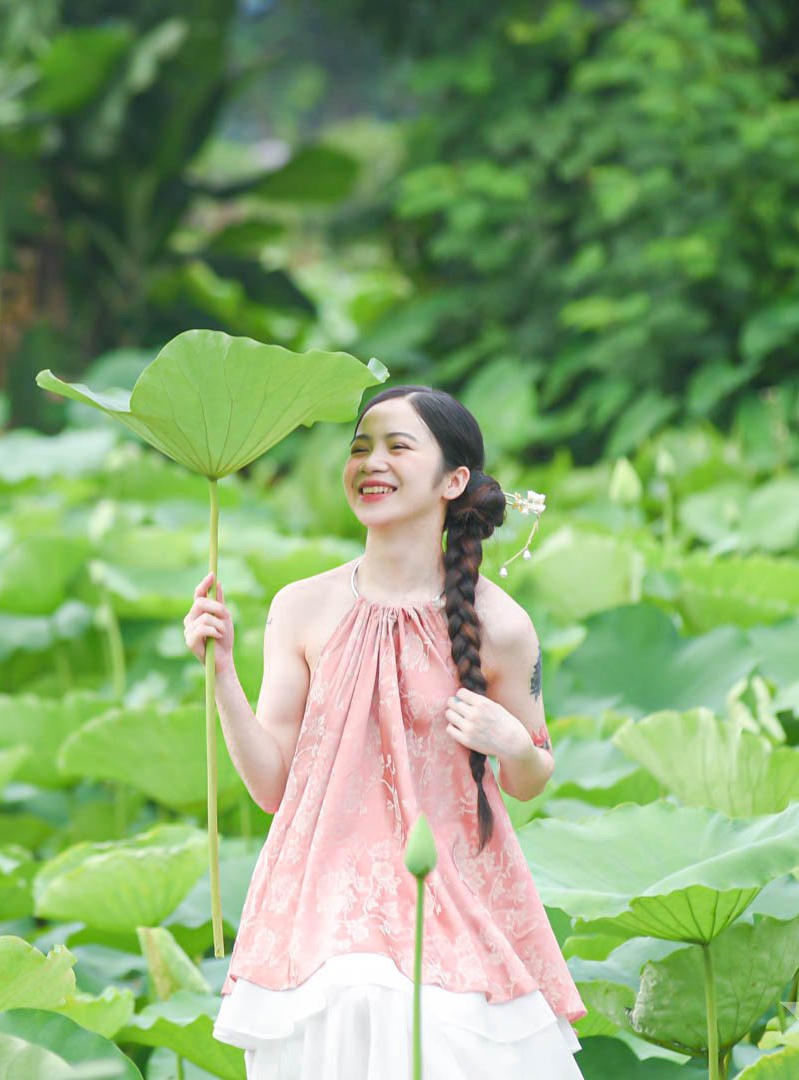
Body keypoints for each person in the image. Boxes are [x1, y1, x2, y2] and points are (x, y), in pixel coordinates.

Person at [182, 385, 585, 1078]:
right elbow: (271, 785)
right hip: (324, 902)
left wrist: (512, 743)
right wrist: (220, 675)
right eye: (360, 447)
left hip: (448, 896)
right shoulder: (300, 607)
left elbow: (530, 776)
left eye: (398, 446)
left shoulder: (502, 624)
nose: (371, 461)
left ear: (452, 481)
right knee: (353, 1006)